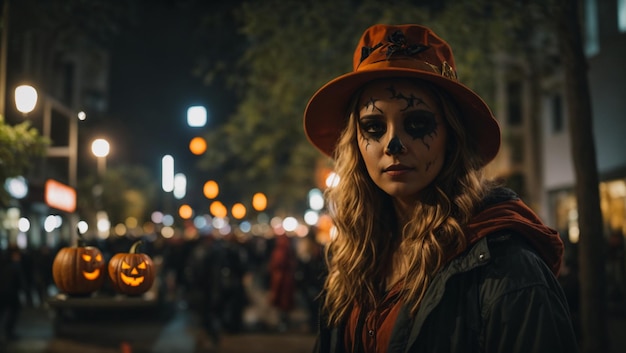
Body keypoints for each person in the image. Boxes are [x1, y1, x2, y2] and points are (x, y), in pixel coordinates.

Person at [303, 24, 579, 352]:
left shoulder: (507, 270)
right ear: (356, 143)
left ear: (451, 137)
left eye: (417, 123)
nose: (393, 144)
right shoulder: (355, 258)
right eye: (374, 126)